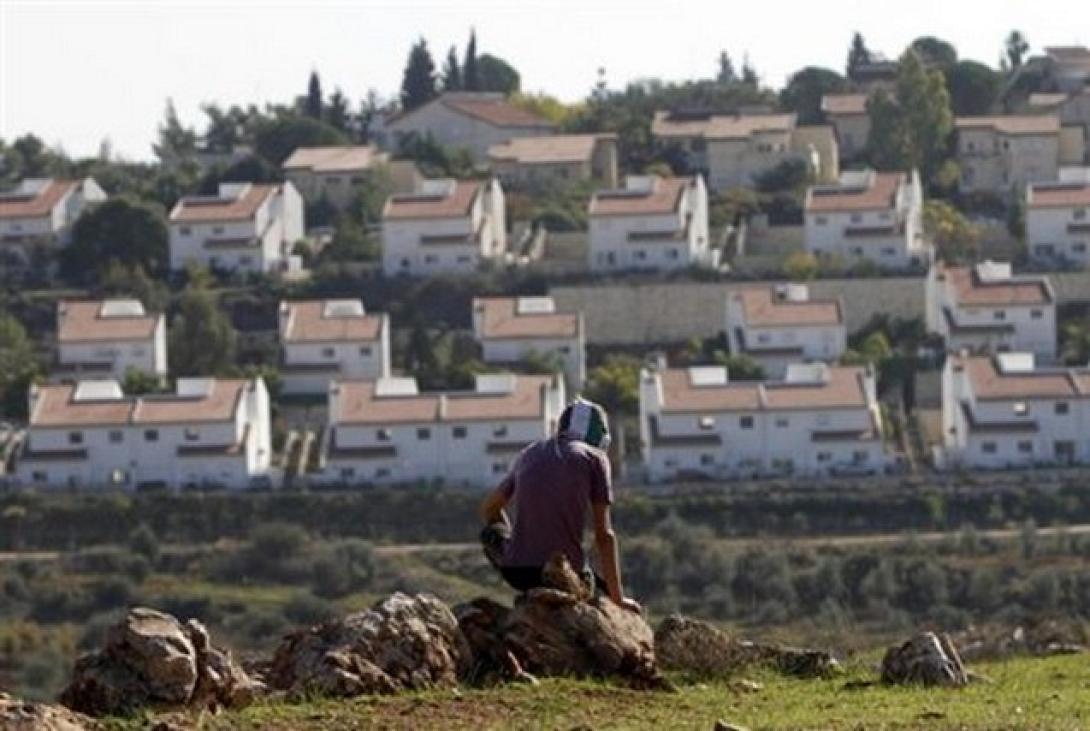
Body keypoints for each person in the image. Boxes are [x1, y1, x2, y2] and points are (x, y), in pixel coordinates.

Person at [478, 397, 640, 613]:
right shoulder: (595, 458)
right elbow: (604, 536)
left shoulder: (530, 452)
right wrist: (618, 599)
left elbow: (490, 509)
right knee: (590, 576)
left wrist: (515, 542)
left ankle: (530, 595)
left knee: (491, 533)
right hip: (566, 576)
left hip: (519, 573)